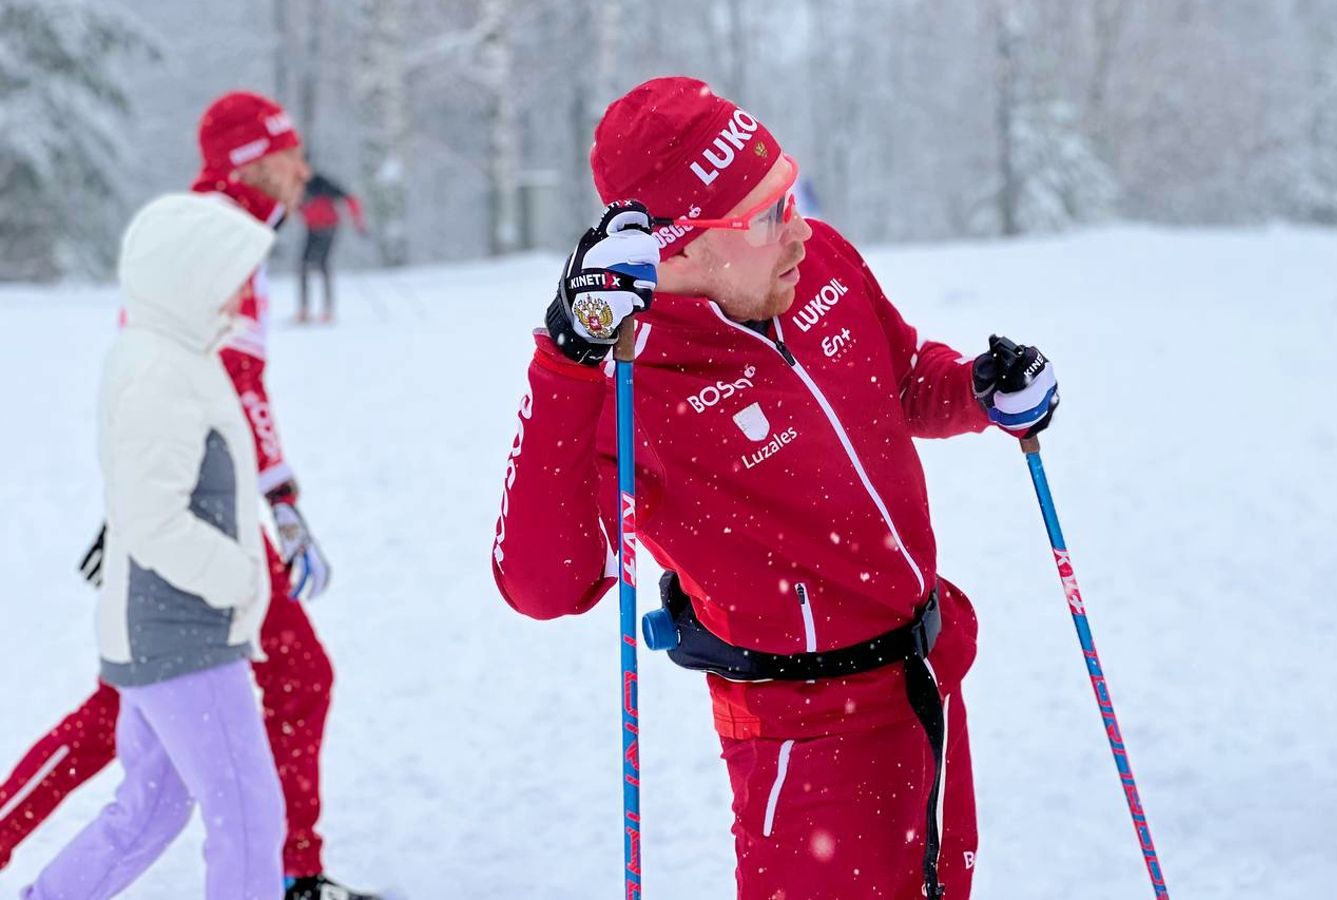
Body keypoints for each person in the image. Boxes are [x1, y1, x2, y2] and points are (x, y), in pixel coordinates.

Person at [491, 77, 1060, 899]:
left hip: (924, 681)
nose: (797, 229)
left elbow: (900, 379)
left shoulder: (818, 259)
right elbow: (542, 583)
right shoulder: (627, 376)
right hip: (807, 738)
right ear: (676, 245)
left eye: (788, 192)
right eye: (763, 216)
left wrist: (979, 389)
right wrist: (569, 356)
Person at [0, 91, 374, 900]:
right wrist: (269, 512)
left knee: (144, 733)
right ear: (250, 161)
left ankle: (287, 868)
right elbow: (218, 384)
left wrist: (276, 496)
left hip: (197, 505)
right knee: (283, 686)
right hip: (196, 518)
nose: (304, 169)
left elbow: (233, 384)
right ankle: (292, 871)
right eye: (289, 153)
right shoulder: (212, 244)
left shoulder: (236, 235)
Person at [23, 192, 285, 899]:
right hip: (182, 634)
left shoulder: (175, 355)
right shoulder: (159, 371)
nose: (245, 290)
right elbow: (150, 518)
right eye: (232, 272)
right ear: (188, 275)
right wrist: (236, 577)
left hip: (166, 631)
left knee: (151, 811)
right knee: (250, 816)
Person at [297, 171, 366, 323]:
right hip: (312, 228)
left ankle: (327, 310)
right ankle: (305, 310)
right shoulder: (296, 185)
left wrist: (359, 223)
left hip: (328, 227)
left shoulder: (321, 182)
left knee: (322, 265)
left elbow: (349, 199)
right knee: (303, 266)